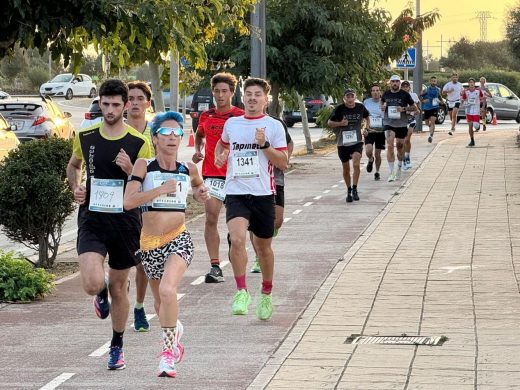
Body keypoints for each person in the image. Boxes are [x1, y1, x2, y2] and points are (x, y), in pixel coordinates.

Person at [66, 79, 153, 370]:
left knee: (119, 286)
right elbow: (74, 166)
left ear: (127, 105)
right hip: (92, 218)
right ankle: (99, 293)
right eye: (106, 104)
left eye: (117, 104)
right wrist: (75, 189)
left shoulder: (139, 142)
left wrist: (131, 171)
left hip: (125, 223)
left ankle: (117, 345)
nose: (111, 109)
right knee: (92, 283)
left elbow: (146, 185)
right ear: (99, 103)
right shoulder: (86, 134)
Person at [124, 111, 210, 378]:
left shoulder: (188, 169)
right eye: (166, 133)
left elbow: (197, 187)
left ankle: (167, 355)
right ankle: (175, 330)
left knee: (168, 290)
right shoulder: (144, 166)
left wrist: (201, 193)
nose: (172, 138)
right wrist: (160, 190)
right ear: (155, 137)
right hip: (149, 243)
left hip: (178, 239)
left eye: (177, 133)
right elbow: (128, 201)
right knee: (161, 305)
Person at [214, 77, 288, 320]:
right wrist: (220, 157)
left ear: (266, 100)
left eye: (258, 95)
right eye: (249, 94)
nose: (252, 98)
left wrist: (264, 144)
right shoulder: (232, 124)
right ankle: (241, 291)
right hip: (236, 192)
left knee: (263, 248)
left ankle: (266, 293)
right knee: (236, 240)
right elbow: (221, 146)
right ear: (243, 98)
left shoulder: (274, 125)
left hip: (263, 194)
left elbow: (283, 163)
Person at [192, 72, 245, 284]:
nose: (220, 95)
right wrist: (198, 150)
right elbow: (199, 134)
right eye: (217, 91)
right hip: (212, 173)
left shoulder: (241, 116)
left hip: (236, 175)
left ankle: (236, 245)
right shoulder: (206, 116)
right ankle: (215, 266)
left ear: (232, 93)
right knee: (211, 217)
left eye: (224, 91)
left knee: (235, 224)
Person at [126, 81, 154, 332]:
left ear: (148, 103)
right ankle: (117, 283)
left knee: (143, 260)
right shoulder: (116, 131)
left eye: (139, 98)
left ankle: (139, 306)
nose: (134, 102)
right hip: (117, 203)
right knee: (119, 258)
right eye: (130, 98)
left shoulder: (153, 134)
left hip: (146, 203)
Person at [251, 116, 294, 273]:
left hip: (275, 177)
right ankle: (258, 257)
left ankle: (264, 241)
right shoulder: (241, 123)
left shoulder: (276, 123)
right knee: (255, 223)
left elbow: (289, 143)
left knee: (277, 221)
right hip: (255, 179)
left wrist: (284, 158)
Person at [328, 88, 370, 201]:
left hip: (357, 141)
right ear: (344, 98)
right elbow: (329, 122)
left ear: (355, 97)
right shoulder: (339, 109)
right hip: (343, 143)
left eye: (352, 96)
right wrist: (340, 123)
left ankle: (355, 188)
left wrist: (366, 128)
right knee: (346, 169)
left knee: (356, 164)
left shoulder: (360, 107)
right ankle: (349, 190)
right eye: (348, 97)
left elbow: (367, 117)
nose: (350, 99)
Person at [381, 75, 418, 182]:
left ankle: (399, 167)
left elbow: (414, 107)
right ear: (390, 83)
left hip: (401, 124)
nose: (395, 83)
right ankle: (392, 172)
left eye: (397, 81)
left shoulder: (405, 94)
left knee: (400, 146)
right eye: (393, 81)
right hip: (389, 123)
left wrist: (403, 108)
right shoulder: (386, 94)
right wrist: (383, 107)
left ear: (399, 83)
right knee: (390, 145)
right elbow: (382, 102)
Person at [362, 84, 385, 180]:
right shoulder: (366, 102)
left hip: (381, 131)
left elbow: (388, 116)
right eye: (373, 91)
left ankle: (377, 172)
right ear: (371, 92)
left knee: (378, 154)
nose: (375, 92)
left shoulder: (384, 102)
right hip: (370, 130)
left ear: (380, 92)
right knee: (368, 150)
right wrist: (364, 129)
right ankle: (370, 159)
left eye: (377, 90)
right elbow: (363, 117)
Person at [400, 80, 420, 170]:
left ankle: (407, 157)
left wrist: (417, 111)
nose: (405, 88)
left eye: (406, 87)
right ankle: (405, 159)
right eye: (403, 87)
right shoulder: (398, 97)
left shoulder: (414, 96)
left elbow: (418, 109)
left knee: (407, 139)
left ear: (409, 88)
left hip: (411, 120)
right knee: (404, 141)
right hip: (401, 121)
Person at [461, 78, 484, 147]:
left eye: (472, 82)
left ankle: (478, 126)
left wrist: (482, 107)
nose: (471, 84)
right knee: (470, 126)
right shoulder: (466, 92)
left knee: (476, 126)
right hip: (468, 111)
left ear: (474, 84)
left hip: (476, 111)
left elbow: (482, 99)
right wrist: (462, 103)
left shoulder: (478, 91)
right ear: (468, 84)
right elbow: (463, 99)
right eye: (470, 82)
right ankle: (472, 140)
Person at [420, 76, 444, 144]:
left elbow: (439, 96)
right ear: (430, 81)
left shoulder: (438, 89)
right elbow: (420, 96)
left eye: (435, 81)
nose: (433, 82)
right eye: (432, 81)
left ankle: (431, 136)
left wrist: (442, 101)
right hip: (427, 107)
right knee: (427, 122)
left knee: (433, 121)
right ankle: (430, 127)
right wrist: (423, 101)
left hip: (435, 107)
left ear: (436, 82)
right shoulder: (426, 89)